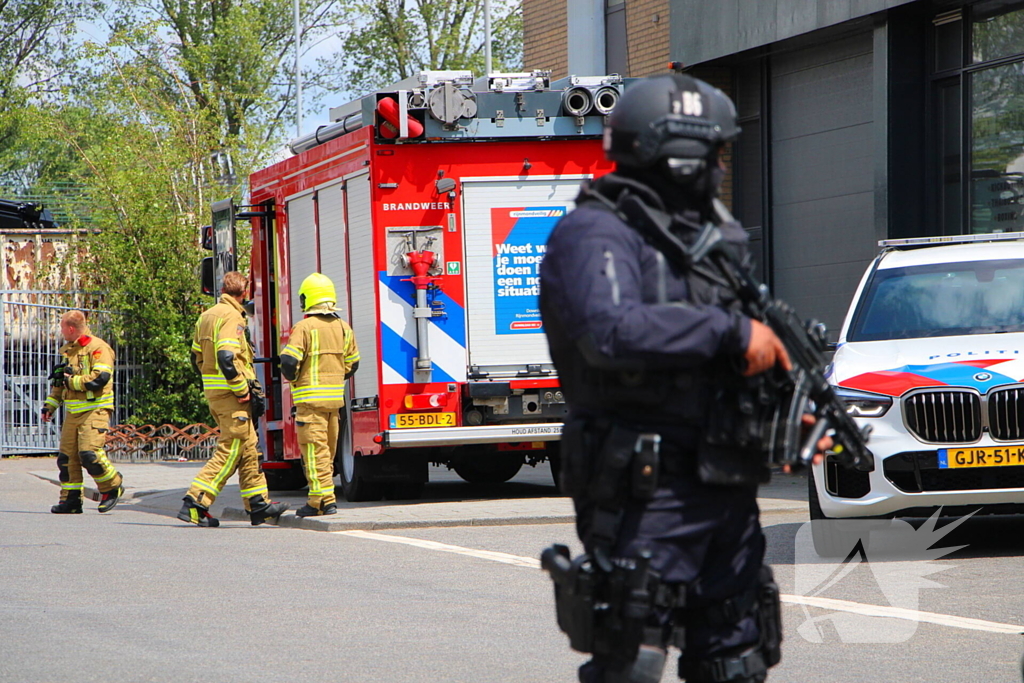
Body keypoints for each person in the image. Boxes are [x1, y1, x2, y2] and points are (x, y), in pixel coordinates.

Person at [539, 74, 828, 683]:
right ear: (680, 156)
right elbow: (609, 331)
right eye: (716, 154)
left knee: (737, 660)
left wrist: (784, 411)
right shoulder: (595, 233)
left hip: (725, 481)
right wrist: (729, 333)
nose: (723, 168)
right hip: (643, 488)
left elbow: (738, 358)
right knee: (632, 660)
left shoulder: (713, 238)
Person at [178, 271, 288, 527]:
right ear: (244, 293)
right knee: (232, 448)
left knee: (249, 447)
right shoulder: (231, 316)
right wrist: (241, 389)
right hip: (232, 396)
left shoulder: (207, 316)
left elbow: (197, 358)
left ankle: (258, 505)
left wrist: (214, 385)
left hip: (217, 393)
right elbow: (226, 357)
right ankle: (195, 502)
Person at [280, 273, 360, 517]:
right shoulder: (343, 327)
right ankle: (328, 500)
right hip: (333, 404)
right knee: (327, 452)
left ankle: (317, 501)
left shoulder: (304, 327)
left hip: (309, 404)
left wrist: (294, 380)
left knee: (314, 453)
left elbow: (288, 360)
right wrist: (334, 378)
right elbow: (353, 363)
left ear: (308, 298)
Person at [43, 310, 124, 514]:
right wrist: (50, 406)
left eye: (62, 327)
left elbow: (100, 378)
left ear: (71, 328)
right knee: (66, 458)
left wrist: (73, 380)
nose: (61, 332)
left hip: (95, 410)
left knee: (89, 454)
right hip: (73, 413)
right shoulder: (69, 351)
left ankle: (112, 487)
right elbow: (60, 383)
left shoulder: (98, 348)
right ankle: (70, 500)